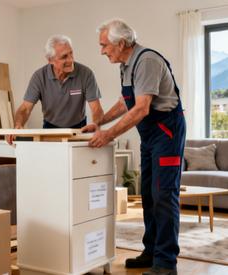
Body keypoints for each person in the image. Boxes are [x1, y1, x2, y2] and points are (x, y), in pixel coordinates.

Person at [84, 19, 184, 275]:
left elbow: (141, 108)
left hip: (167, 133)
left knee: (164, 195)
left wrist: (107, 135)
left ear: (120, 43)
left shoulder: (147, 60)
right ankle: (152, 252)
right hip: (151, 136)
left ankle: (166, 262)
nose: (102, 50)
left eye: (104, 45)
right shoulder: (126, 65)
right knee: (149, 194)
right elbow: (125, 102)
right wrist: (98, 122)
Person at [7, 35, 104, 144]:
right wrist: (17, 125)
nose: (70, 60)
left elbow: (96, 109)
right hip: (50, 130)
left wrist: (97, 126)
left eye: (71, 53)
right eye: (64, 57)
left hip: (79, 130)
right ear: (50, 60)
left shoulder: (86, 74)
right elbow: (25, 108)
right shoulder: (39, 77)